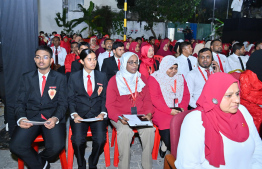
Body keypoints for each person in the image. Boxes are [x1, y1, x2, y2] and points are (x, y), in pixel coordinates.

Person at [175, 72, 262, 169]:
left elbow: (258, 149)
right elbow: (188, 165)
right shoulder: (195, 121)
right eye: (229, 95)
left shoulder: (242, 111)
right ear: (214, 97)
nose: (237, 100)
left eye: (237, 94)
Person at [10, 46, 67, 169]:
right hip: (31, 118)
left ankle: (37, 162)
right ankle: (43, 165)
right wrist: (21, 118)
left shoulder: (60, 78)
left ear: (51, 60)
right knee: (16, 145)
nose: (41, 60)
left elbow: (63, 103)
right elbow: (19, 102)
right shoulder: (26, 77)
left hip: (51, 118)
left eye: (45, 57)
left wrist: (55, 118)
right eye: (38, 57)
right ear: (34, 60)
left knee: (57, 146)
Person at [106, 52, 155, 169]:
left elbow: (147, 99)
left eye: (136, 62)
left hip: (140, 114)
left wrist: (148, 113)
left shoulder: (141, 78)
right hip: (121, 115)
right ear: (123, 64)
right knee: (125, 132)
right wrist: (119, 117)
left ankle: (147, 166)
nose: (134, 65)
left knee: (149, 130)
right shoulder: (114, 80)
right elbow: (110, 105)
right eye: (131, 62)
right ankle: (124, 166)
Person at [68, 49, 108, 169]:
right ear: (81, 61)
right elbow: (70, 98)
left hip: (97, 114)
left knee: (101, 139)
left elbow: (105, 97)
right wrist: (74, 114)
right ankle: (81, 163)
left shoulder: (102, 76)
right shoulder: (74, 77)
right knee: (78, 140)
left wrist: (102, 113)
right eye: (89, 59)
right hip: (80, 114)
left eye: (95, 59)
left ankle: (93, 161)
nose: (93, 62)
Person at [148, 56, 190, 157]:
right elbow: (155, 99)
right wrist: (169, 111)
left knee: (186, 125)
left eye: (175, 68)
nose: (174, 71)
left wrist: (182, 107)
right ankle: (173, 150)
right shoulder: (155, 78)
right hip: (161, 110)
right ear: (164, 67)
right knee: (168, 126)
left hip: (179, 107)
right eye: (170, 68)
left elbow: (186, 94)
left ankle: (170, 146)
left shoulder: (180, 76)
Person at [240, 50, 262, 134]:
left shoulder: (260, 72)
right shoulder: (245, 75)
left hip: (259, 101)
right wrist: (260, 102)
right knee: (260, 115)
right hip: (248, 103)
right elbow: (245, 95)